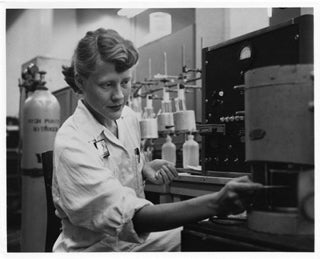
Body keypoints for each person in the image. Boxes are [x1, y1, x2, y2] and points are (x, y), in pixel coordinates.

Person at [52, 28, 262, 252]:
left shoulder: (127, 117)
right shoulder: (71, 142)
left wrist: (143, 168)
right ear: (80, 82)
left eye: (125, 82)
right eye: (107, 84)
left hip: (132, 242)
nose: (119, 96)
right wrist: (215, 203)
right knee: (208, 239)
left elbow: (116, 164)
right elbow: (132, 217)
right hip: (95, 250)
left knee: (214, 235)